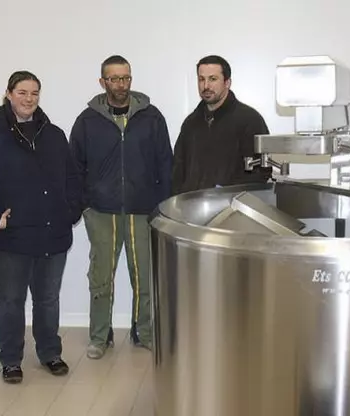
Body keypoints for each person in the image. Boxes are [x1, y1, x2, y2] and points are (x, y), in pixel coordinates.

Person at [0, 70, 82, 383]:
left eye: (34, 93)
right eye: (22, 92)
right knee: (11, 300)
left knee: (47, 299)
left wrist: (70, 211)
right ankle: (11, 360)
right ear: (8, 94)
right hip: (9, 238)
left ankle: (49, 353)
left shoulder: (54, 135)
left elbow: (72, 178)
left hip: (51, 233)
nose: (29, 99)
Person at [69, 55, 173, 359]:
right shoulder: (87, 121)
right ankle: (100, 336)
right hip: (102, 212)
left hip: (143, 211)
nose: (120, 84)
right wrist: (84, 205)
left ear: (131, 79)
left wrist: (163, 206)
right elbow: (74, 167)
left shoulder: (152, 117)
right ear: (103, 82)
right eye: (113, 78)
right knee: (101, 277)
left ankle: (145, 333)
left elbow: (165, 164)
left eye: (125, 78)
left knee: (144, 276)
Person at [172, 55, 270, 194]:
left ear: (227, 82)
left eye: (213, 79)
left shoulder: (250, 120)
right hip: (192, 210)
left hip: (232, 210)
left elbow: (261, 172)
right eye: (201, 79)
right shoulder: (190, 124)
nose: (206, 86)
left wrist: (224, 194)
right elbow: (178, 170)